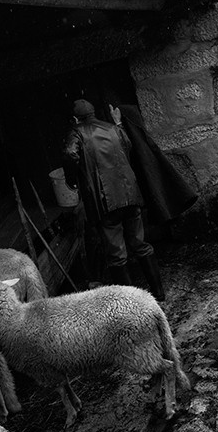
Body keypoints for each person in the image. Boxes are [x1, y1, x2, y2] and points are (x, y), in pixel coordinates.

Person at [62, 99, 197, 301]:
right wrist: (117, 124)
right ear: (93, 113)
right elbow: (127, 146)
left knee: (117, 254)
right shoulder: (114, 128)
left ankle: (131, 303)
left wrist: (72, 178)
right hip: (130, 196)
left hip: (106, 203)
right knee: (140, 243)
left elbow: (70, 153)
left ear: (75, 118)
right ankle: (159, 293)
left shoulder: (76, 133)